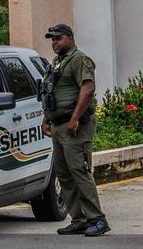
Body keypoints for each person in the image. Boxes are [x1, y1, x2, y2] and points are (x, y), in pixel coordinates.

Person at [40, 23, 110, 237]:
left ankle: (97, 219)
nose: (54, 43)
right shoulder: (57, 63)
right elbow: (52, 93)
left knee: (79, 170)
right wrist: (46, 119)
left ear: (69, 38)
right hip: (59, 125)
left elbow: (88, 88)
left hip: (76, 126)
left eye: (58, 38)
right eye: (52, 39)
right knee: (64, 173)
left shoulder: (79, 60)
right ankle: (79, 218)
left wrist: (75, 118)